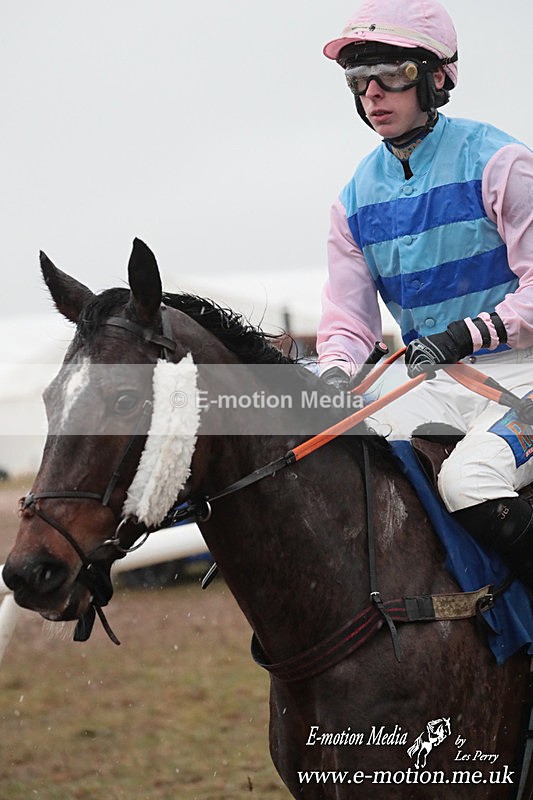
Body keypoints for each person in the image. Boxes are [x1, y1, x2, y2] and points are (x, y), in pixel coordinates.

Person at [317, 0, 533, 589]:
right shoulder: (354, 201)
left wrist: (466, 333)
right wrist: (334, 372)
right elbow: (347, 322)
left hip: (522, 374)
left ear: (435, 77)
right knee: (332, 459)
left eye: (391, 75)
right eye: (359, 81)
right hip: (435, 382)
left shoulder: (502, 162)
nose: (373, 95)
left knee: (470, 481)